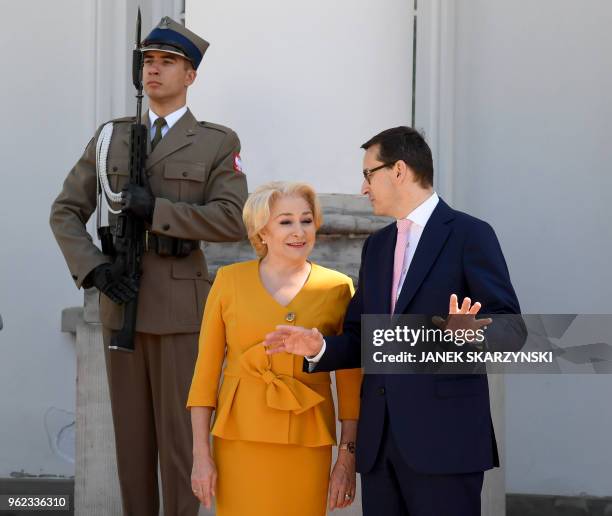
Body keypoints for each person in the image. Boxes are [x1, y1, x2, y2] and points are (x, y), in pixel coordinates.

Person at [263, 127, 522, 516]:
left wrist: (470, 335)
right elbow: (361, 337)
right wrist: (319, 348)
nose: (363, 188)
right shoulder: (378, 246)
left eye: (369, 173)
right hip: (380, 445)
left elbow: (512, 331)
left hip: (445, 444)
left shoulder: (470, 235)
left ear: (399, 170)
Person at [49, 17, 248, 516]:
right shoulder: (111, 137)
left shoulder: (216, 142)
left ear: (191, 75)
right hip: (122, 304)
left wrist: (156, 212)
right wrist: (95, 271)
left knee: (182, 447)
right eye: (148, 61)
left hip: (181, 312)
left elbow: (232, 220)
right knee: (132, 450)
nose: (153, 71)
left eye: (167, 62)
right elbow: (66, 211)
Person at [187, 182, 361, 515]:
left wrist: (347, 457)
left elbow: (351, 383)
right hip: (239, 436)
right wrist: (200, 455)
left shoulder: (337, 287)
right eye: (286, 222)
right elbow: (205, 377)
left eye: (306, 220)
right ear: (261, 232)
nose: (300, 231)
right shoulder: (228, 281)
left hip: (308, 439)